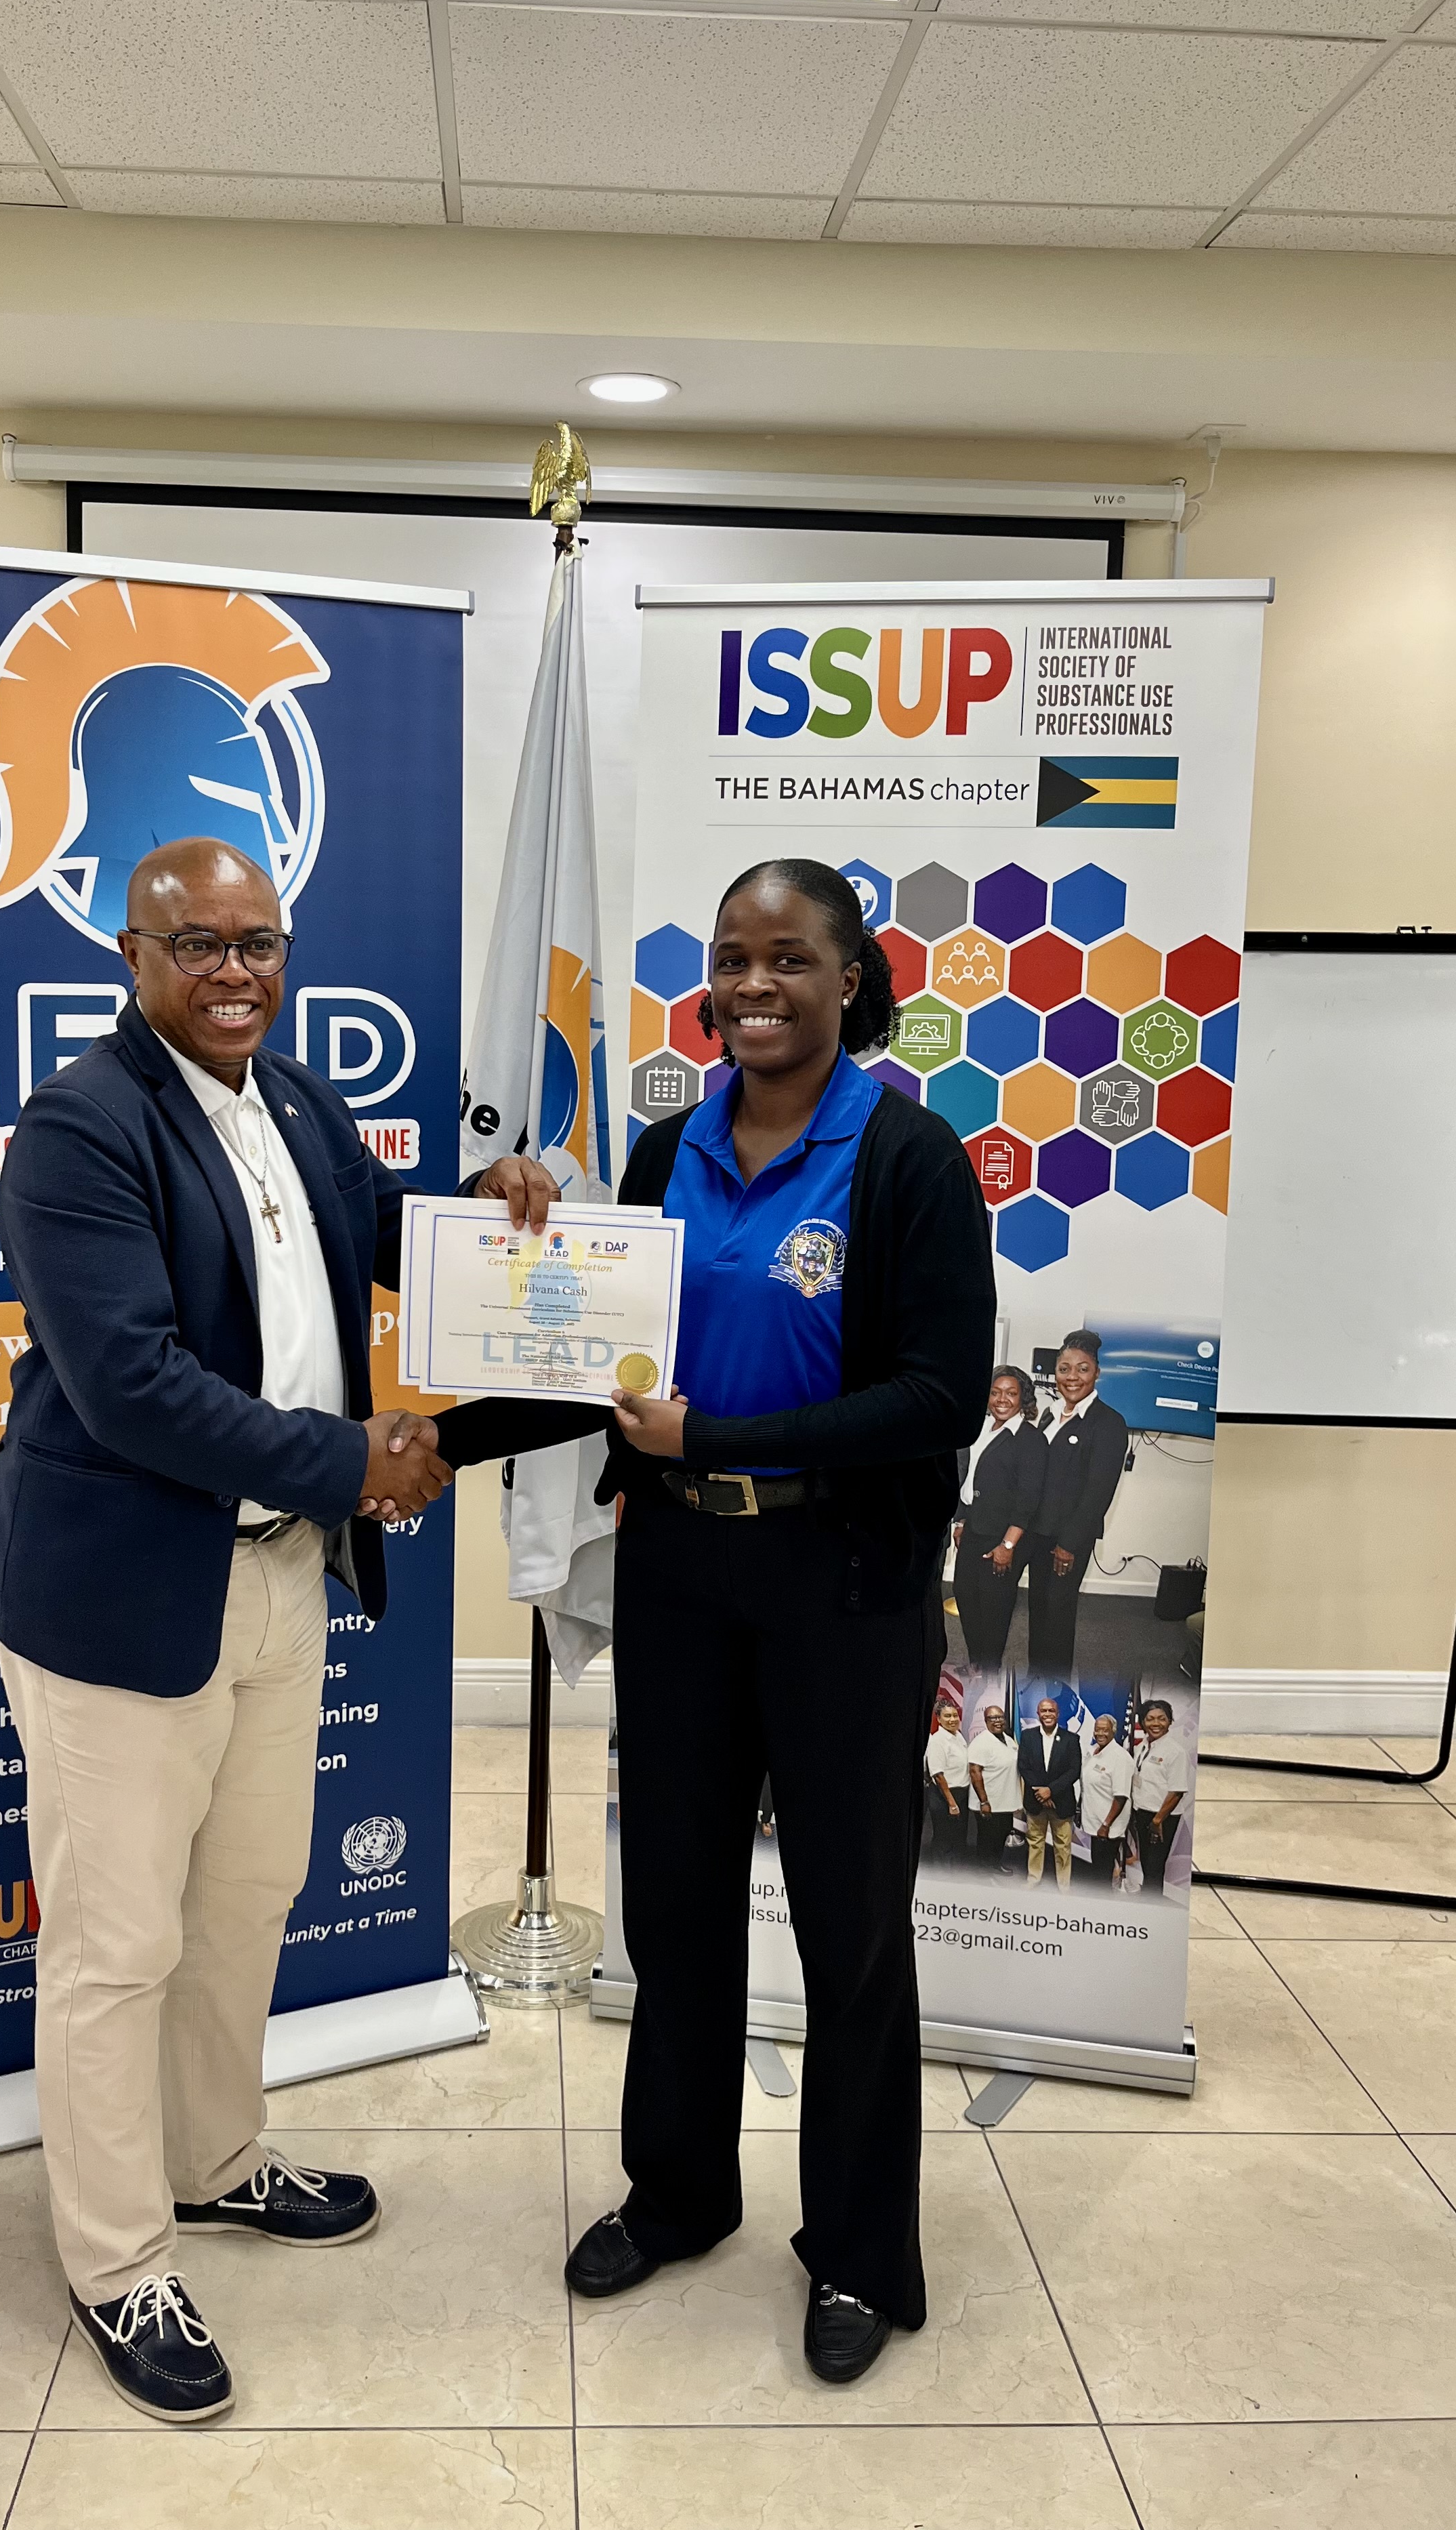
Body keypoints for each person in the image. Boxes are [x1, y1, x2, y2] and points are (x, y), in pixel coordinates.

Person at [0, 835, 557, 2424]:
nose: (236, 972)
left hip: (279, 1570)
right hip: (121, 1594)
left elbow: (380, 1232)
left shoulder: (296, 1100)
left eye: (260, 943)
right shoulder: (81, 1128)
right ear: (133, 956)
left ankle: (216, 2158)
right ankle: (117, 2262)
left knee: (244, 1900)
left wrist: (487, 1211)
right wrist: (353, 1464)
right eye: (201, 945)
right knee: (116, 1946)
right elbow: (131, 1386)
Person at [440, 857, 994, 2385]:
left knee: (849, 1927)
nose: (755, 984)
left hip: (843, 1587)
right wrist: (430, 1445)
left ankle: (859, 2249)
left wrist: (722, 1439)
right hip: (681, 1574)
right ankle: (678, 2194)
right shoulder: (663, 1145)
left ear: (848, 979)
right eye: (732, 958)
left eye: (789, 959)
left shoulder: (907, 1158)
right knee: (676, 1906)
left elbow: (937, 1399)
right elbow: (593, 1362)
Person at [1022, 1331, 1129, 1676]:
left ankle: (1055, 1687)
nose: (1072, 1377)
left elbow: (1099, 1492)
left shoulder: (1109, 1423)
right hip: (1037, 1533)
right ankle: (1036, 1678)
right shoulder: (1050, 1414)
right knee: (1039, 1606)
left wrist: (1069, 1544)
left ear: (1097, 1372)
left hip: (1068, 1539)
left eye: (1083, 1369)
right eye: (1064, 1369)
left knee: (1058, 1612)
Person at [949, 1366, 1042, 1670]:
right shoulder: (980, 1429)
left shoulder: (1030, 1439)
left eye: (1011, 1393)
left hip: (1002, 1536)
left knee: (994, 1609)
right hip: (973, 1528)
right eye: (995, 1392)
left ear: (1023, 1398)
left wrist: (1008, 1545)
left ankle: (989, 1670)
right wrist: (961, 1521)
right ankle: (977, 1663)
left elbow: (1029, 1498)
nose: (1003, 1399)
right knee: (965, 1596)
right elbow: (968, 1479)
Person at [1018, 1695, 1080, 1890]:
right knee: (1035, 1843)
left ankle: (1064, 1885)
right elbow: (1024, 1767)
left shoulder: (1071, 1739)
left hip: (1062, 1802)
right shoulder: (1028, 1737)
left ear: (1058, 1714)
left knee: (1063, 1845)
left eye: (1051, 1711)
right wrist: (1041, 1793)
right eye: (1043, 1711)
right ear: (1038, 1714)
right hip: (1035, 1802)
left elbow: (1074, 1771)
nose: (1047, 1714)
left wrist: (1051, 1791)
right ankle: (1033, 1879)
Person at [1130, 1700, 1190, 1899]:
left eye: (1161, 1719)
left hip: (1162, 1818)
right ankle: (1148, 1901)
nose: (1156, 1724)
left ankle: (1152, 1907)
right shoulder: (1143, 1746)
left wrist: (1157, 1820)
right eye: (1150, 1719)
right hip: (1143, 1813)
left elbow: (1177, 1791)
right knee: (1147, 1865)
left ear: (1170, 1721)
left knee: (1155, 1867)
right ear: (1143, 1722)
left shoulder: (1175, 1752)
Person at [1080, 1714, 1133, 1887]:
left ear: (1114, 1732)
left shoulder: (1120, 1757)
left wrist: (1106, 1825)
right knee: (1098, 1869)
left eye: (1105, 1730)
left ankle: (1102, 1901)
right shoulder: (1093, 1751)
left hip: (1108, 1826)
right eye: (1098, 1730)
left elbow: (1121, 1796)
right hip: (1095, 1823)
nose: (1100, 1733)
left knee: (1102, 1873)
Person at [964, 1703, 1018, 1872]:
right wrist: (984, 1801)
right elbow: (975, 1772)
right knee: (989, 1837)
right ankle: (986, 1869)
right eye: (992, 1718)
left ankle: (994, 1864)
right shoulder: (981, 1742)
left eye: (1000, 1717)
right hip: (989, 1801)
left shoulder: (1008, 1739)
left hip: (1004, 1801)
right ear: (985, 1721)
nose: (998, 1721)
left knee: (1002, 1833)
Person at [925, 1699, 970, 1863]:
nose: (953, 1719)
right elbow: (938, 1775)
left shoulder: (958, 1736)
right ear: (938, 1719)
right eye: (947, 1716)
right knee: (944, 1840)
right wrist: (952, 1803)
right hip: (944, 1796)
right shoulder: (938, 1740)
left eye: (955, 1715)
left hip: (960, 1794)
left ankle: (955, 1873)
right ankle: (941, 1874)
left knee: (958, 1839)